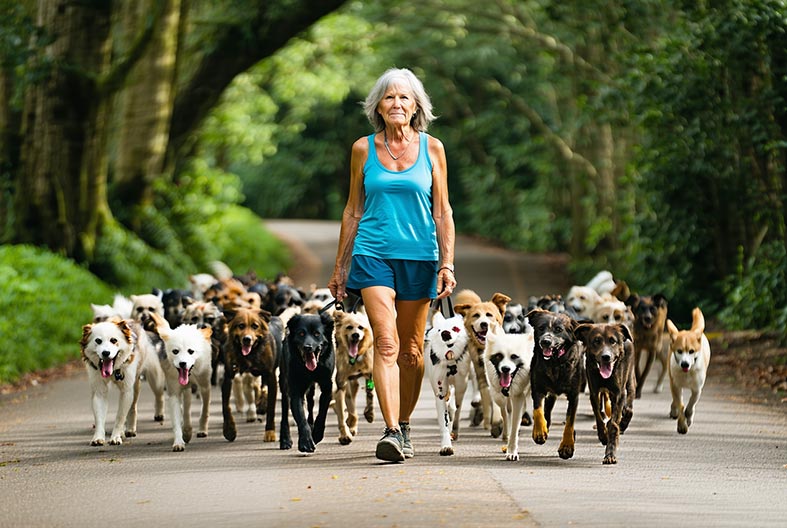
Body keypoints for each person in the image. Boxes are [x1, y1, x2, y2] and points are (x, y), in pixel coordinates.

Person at [328, 67, 457, 462]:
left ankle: (404, 425)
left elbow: (443, 212)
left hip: (421, 258)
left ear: (416, 104)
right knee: (386, 343)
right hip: (372, 254)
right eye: (389, 98)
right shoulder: (363, 149)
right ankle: (389, 432)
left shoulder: (433, 148)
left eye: (404, 97)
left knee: (412, 353)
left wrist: (446, 264)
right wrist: (340, 269)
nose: (397, 104)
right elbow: (353, 210)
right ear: (378, 108)